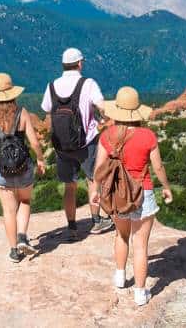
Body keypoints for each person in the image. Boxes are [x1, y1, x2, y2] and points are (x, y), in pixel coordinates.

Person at [93, 86, 173, 307]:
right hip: (143, 193)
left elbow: (98, 168)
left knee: (121, 235)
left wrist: (95, 193)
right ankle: (140, 293)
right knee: (141, 245)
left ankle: (120, 277)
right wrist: (166, 187)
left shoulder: (106, 135)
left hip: (116, 194)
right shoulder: (147, 135)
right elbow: (157, 167)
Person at [0, 72, 47, 262]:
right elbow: (34, 142)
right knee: (24, 202)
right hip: (24, 167)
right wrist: (40, 159)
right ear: (12, 94)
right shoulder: (22, 113)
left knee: (9, 210)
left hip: (0, 170)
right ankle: (23, 236)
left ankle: (14, 251)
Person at [41, 47, 110, 240]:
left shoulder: (52, 85)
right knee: (93, 180)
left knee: (69, 186)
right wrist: (104, 119)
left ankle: (72, 227)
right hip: (86, 142)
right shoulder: (87, 83)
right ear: (79, 63)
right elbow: (101, 105)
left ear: (63, 65)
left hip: (61, 144)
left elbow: (46, 108)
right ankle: (97, 221)